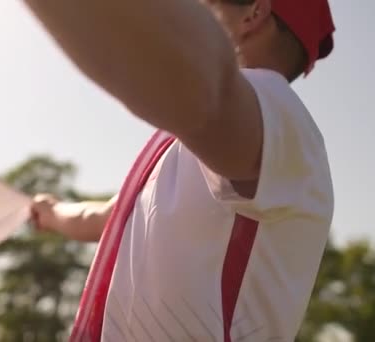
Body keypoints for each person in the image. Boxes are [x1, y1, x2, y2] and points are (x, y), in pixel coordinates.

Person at [28, 0, 335, 341]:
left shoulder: (283, 116)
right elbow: (105, 216)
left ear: (254, 13)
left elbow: (206, 90)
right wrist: (51, 212)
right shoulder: (185, 145)